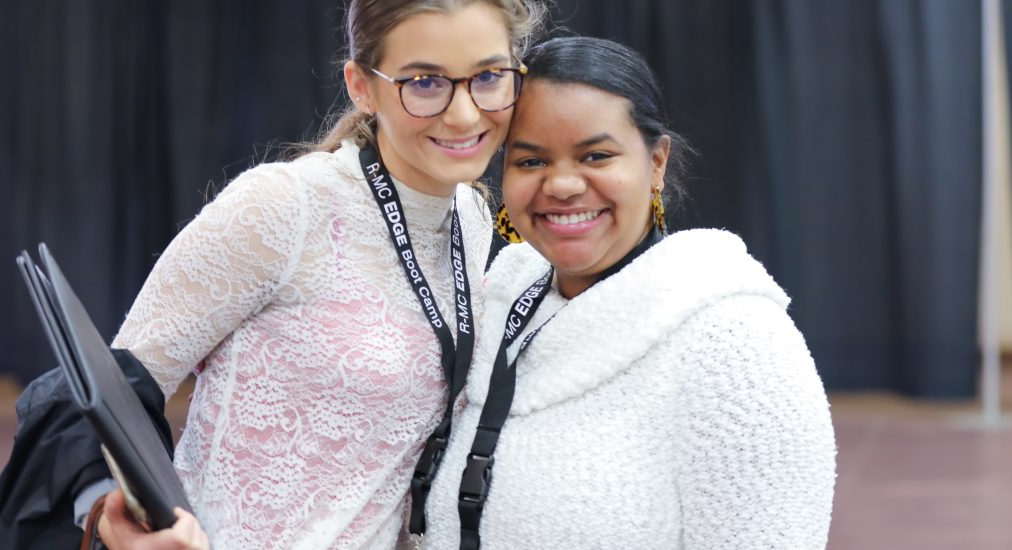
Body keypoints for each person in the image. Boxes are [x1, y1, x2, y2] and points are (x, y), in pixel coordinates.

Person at [94, 1, 546, 548]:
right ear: (361, 86)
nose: (466, 114)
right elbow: (112, 390)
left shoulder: (472, 223)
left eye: (489, 77)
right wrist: (107, 514)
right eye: (425, 82)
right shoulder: (286, 206)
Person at [421, 36, 837, 549]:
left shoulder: (735, 342)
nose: (563, 185)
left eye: (595, 155)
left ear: (656, 162)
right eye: (530, 161)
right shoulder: (500, 300)